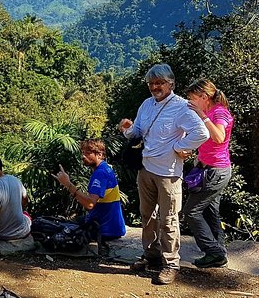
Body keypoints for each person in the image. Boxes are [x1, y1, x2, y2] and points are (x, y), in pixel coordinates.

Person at [118, 63, 209, 285]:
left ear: (171, 84)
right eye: (152, 83)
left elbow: (202, 133)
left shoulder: (181, 107)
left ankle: (171, 264)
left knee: (168, 220)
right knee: (146, 216)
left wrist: (179, 147)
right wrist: (128, 129)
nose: (155, 87)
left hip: (168, 173)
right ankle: (152, 256)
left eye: (159, 83)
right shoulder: (146, 105)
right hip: (146, 168)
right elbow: (138, 132)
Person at [182, 79, 233, 268]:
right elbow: (208, 140)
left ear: (204, 97)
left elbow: (219, 137)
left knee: (191, 212)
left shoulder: (219, 112)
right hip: (209, 168)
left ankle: (215, 252)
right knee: (211, 212)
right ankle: (218, 251)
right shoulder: (212, 111)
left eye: (193, 98)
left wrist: (201, 115)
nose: (190, 102)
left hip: (215, 172)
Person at [53, 139, 126, 257]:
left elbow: (90, 204)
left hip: (103, 229)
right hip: (112, 227)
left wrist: (68, 185)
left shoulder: (100, 173)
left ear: (100, 154)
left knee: (59, 230)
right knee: (74, 220)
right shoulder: (106, 168)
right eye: (82, 152)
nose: (83, 156)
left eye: (87, 153)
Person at [0, 155, 31, 245]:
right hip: (22, 232)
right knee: (27, 216)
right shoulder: (16, 180)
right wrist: (20, 211)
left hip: (3, 235)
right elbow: (25, 199)